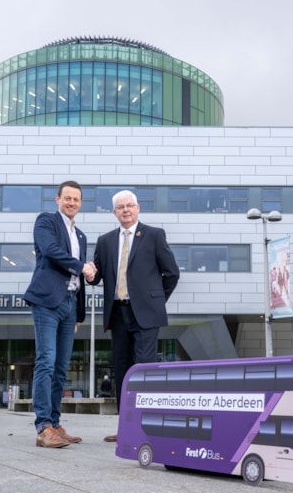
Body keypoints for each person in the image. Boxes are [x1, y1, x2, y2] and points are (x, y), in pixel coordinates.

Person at [89, 190, 179, 441]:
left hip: (146, 316)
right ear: (114, 212)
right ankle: (125, 428)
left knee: (143, 370)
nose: (126, 210)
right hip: (117, 314)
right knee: (122, 370)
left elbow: (171, 273)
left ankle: (145, 427)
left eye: (130, 206)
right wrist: (88, 272)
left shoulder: (154, 235)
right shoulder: (105, 240)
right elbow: (97, 277)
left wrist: (154, 301)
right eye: (120, 207)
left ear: (137, 208)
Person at [24, 181, 96, 448]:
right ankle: (43, 427)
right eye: (67, 198)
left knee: (60, 367)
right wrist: (82, 266)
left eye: (76, 199)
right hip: (47, 302)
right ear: (58, 199)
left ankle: (55, 423)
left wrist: (78, 314)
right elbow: (51, 252)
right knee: (46, 361)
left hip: (69, 305)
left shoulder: (81, 236)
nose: (72, 203)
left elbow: (79, 278)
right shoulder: (46, 222)